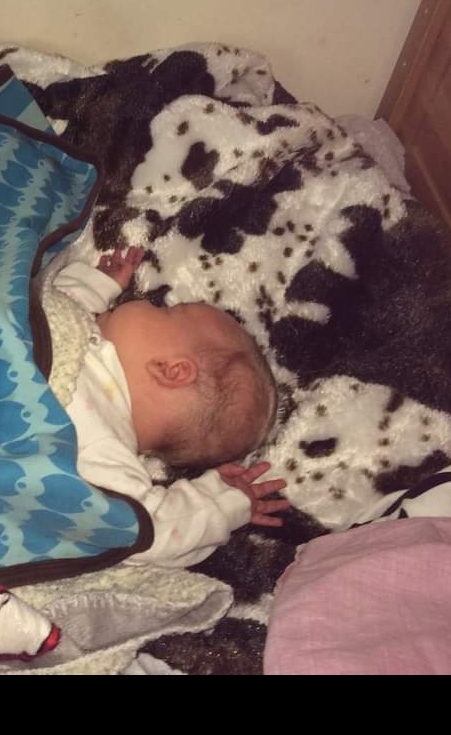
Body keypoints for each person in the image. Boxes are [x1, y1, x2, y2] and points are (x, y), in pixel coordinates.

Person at [43, 241, 291, 568]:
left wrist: (218, 504)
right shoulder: (86, 340)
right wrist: (95, 284)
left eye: (167, 312)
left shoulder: (100, 440)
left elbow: (144, 530)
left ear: (172, 371)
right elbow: (55, 309)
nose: (153, 302)